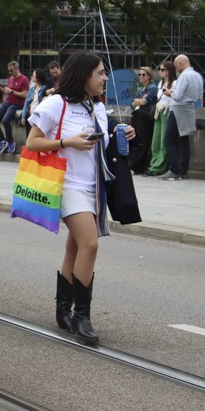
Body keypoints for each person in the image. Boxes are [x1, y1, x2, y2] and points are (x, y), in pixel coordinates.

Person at [26, 51, 134, 344]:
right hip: (66, 185)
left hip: (94, 186)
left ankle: (63, 309)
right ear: (84, 75)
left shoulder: (97, 108)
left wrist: (122, 132)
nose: (104, 78)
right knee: (90, 242)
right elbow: (32, 142)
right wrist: (66, 142)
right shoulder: (55, 104)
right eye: (99, 73)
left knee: (75, 247)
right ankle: (81, 316)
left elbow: (104, 145)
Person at [160, 54, 203, 181]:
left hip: (178, 109)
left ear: (180, 64)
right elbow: (199, 96)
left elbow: (177, 96)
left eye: (176, 65)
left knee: (168, 140)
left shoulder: (184, 76)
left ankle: (174, 170)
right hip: (189, 109)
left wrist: (169, 92)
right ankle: (183, 171)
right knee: (183, 141)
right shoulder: (197, 76)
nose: (176, 68)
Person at [0, 60, 29, 154]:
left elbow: (25, 95)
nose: (9, 72)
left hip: (17, 103)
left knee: (5, 120)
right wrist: (4, 90)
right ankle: (2, 141)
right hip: (7, 102)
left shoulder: (24, 79)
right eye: (8, 71)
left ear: (16, 68)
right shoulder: (11, 78)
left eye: (11, 70)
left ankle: (10, 141)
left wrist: (11, 92)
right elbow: (9, 91)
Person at [145, 61, 175, 176]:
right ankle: (154, 164)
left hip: (167, 111)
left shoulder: (175, 83)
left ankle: (160, 167)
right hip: (159, 111)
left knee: (163, 140)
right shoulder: (160, 83)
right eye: (160, 69)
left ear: (169, 71)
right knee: (155, 139)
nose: (160, 72)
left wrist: (169, 94)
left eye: (162, 70)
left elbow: (175, 98)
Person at [128, 67, 158, 174]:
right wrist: (138, 101)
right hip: (138, 115)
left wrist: (139, 101)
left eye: (143, 75)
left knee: (142, 141)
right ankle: (134, 164)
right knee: (134, 139)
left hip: (145, 118)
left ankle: (137, 165)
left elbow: (145, 102)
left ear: (149, 76)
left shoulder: (152, 88)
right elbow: (132, 104)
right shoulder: (141, 89)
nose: (141, 76)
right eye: (139, 74)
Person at [20, 68, 49, 141]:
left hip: (39, 117)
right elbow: (26, 103)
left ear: (38, 77)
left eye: (33, 75)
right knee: (28, 136)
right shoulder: (32, 88)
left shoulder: (45, 88)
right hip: (30, 115)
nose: (31, 77)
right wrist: (23, 116)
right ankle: (29, 152)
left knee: (38, 137)